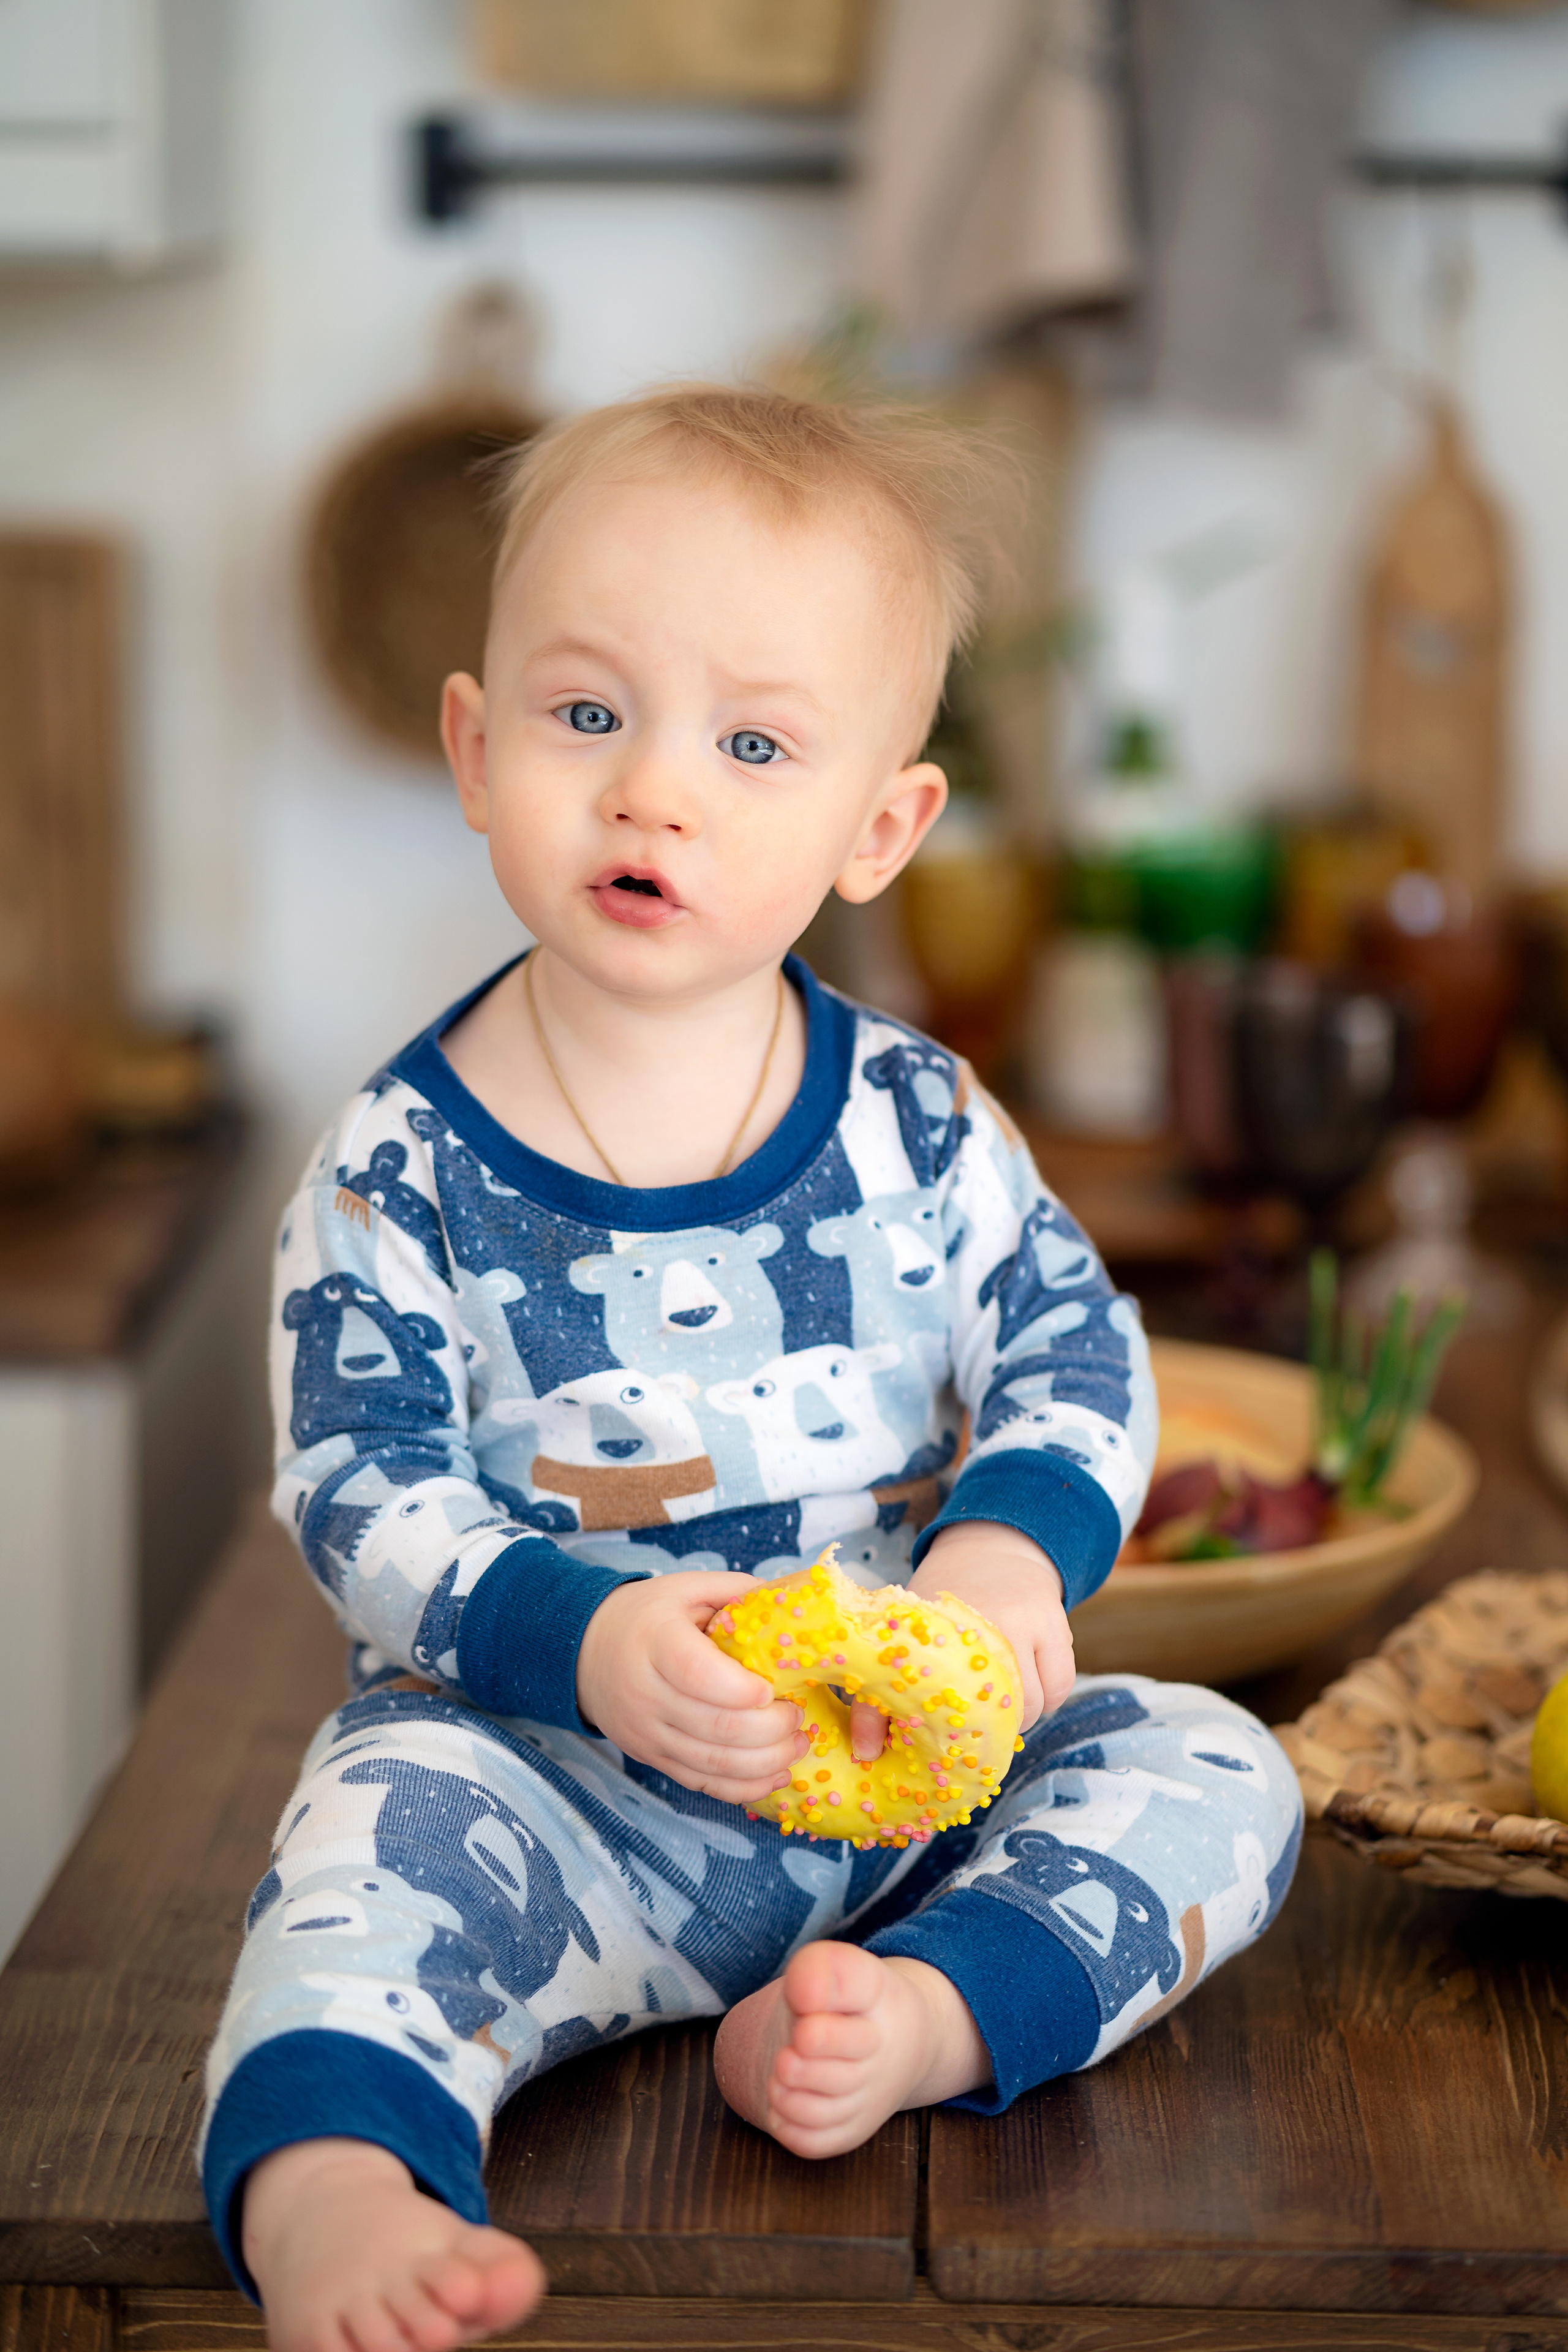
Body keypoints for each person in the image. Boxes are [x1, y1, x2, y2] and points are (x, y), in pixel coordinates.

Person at [203, 385, 1303, 2352]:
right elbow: (358, 1484)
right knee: (366, 1853)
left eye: (754, 745)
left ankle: (919, 2013)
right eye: (588, 714)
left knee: (1218, 1770)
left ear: (879, 830)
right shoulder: (396, 1166)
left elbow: (1072, 1340)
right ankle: (338, 2187)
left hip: (907, 1799)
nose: (655, 793)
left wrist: (1004, 1555)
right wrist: (584, 1641)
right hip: (556, 1795)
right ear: (477, 749)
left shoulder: (919, 1124)